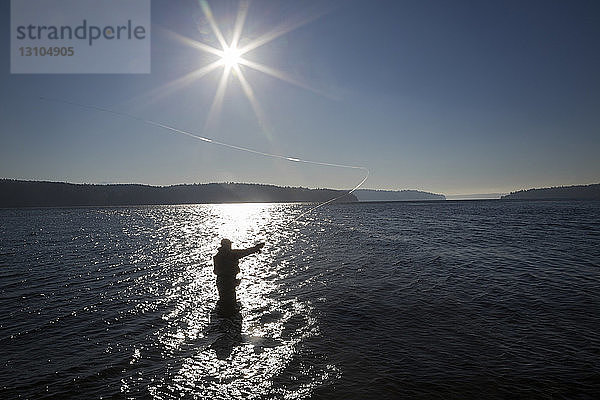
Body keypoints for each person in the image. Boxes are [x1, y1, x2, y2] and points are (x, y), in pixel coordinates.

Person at [213, 238, 264, 315]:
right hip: (229, 281)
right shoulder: (233, 254)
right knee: (231, 302)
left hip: (221, 281)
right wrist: (256, 248)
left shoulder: (217, 257)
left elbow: (216, 271)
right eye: (230, 244)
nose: (231, 246)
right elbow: (246, 252)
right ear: (227, 246)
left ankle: (223, 316)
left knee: (223, 301)